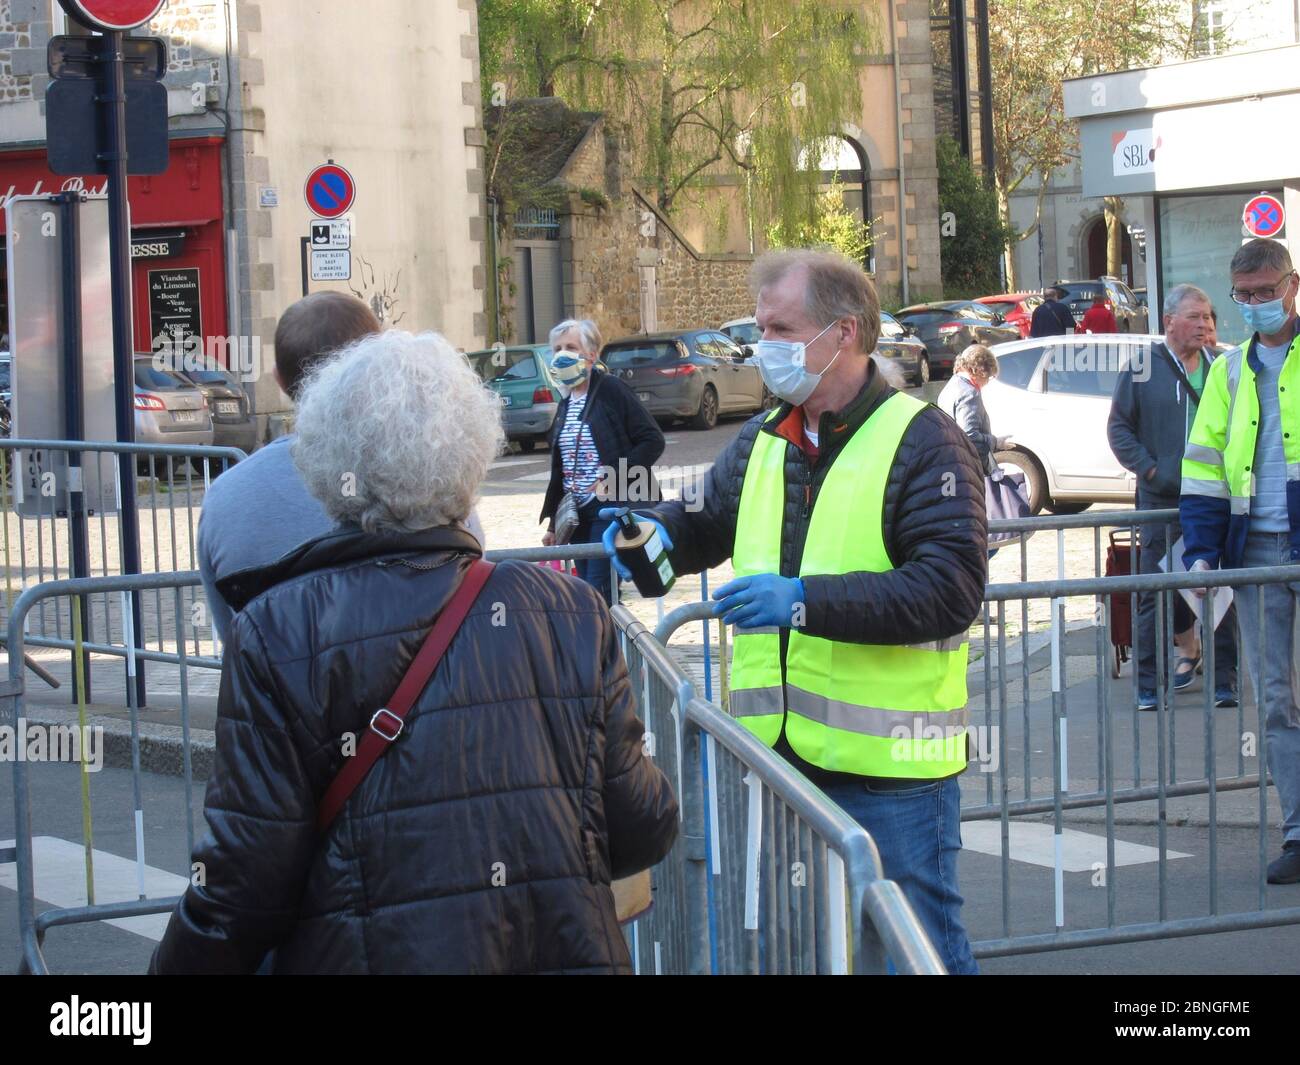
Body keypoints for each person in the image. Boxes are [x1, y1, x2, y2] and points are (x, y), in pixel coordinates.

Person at [151, 330, 678, 973]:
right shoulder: (568, 610)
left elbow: (242, 880)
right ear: (473, 455)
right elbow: (642, 824)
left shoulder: (277, 632)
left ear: (325, 465)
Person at [602, 249, 988, 973]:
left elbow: (949, 589)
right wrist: (652, 537)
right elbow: (704, 521)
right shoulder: (766, 437)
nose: (762, 346)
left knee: (912, 951)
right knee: (796, 948)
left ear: (843, 333)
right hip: (777, 759)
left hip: (890, 766)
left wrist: (805, 603)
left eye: (778, 327)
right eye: (759, 328)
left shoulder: (926, 439)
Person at [197, 291, 485, 642]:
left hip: (281, 689)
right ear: (379, 368)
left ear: (279, 379)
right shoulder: (429, 476)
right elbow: (468, 580)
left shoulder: (227, 496)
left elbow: (232, 639)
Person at [1182, 237, 1300, 885]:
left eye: (1266, 290)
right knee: (1278, 699)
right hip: (1256, 550)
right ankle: (1298, 828)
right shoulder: (1229, 374)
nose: (1256, 303)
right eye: (1244, 295)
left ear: (1293, 284)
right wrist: (1201, 552)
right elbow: (1202, 465)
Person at [1109, 283, 1237, 711]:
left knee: (1219, 589)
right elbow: (1119, 429)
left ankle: (1226, 682)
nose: (1204, 325)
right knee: (1155, 591)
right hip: (1160, 500)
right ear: (1169, 322)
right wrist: (1151, 469)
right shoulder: (1143, 367)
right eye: (1194, 317)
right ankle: (1149, 684)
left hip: (1215, 497)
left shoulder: (1223, 365)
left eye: (1208, 317)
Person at [540, 318, 664, 603]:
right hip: (576, 513)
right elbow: (561, 469)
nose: (561, 354)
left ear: (591, 355)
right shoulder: (565, 401)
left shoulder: (611, 390)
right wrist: (551, 525)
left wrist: (613, 476)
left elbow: (652, 440)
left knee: (598, 591)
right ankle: (603, 643)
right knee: (585, 590)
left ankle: (606, 645)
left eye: (570, 347)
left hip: (608, 507)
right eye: (556, 348)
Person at [936, 344, 1011, 476]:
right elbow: (969, 435)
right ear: (980, 371)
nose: (987, 382)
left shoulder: (952, 385)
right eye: (988, 377)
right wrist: (995, 442)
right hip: (970, 468)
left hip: (952, 463)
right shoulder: (970, 393)